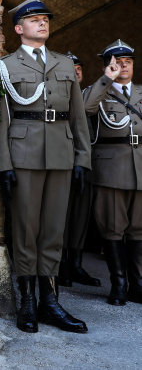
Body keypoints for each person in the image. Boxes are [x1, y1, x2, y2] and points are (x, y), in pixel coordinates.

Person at [0, 0, 91, 334]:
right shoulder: (6, 66)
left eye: (45, 18)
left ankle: (51, 302)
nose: (42, 22)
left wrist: (83, 159)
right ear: (19, 29)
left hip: (61, 156)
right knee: (25, 231)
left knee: (53, 230)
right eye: (35, 20)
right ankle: (28, 302)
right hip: (24, 157)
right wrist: (3, 164)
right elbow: (0, 120)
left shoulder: (64, 64)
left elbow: (78, 117)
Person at [83, 40, 142, 306]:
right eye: (117, 62)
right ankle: (118, 285)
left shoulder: (141, 93)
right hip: (111, 167)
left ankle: (137, 285)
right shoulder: (98, 92)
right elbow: (85, 109)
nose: (123, 66)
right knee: (113, 227)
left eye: (127, 61)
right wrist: (107, 79)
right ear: (109, 65)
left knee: (138, 229)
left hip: (140, 167)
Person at [57, 52, 101, 288]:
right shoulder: (61, 95)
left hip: (85, 164)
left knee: (81, 217)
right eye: (71, 69)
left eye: (79, 69)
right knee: (61, 217)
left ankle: (76, 264)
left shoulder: (89, 95)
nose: (76, 73)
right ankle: (62, 265)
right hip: (62, 161)